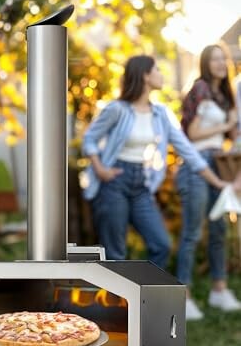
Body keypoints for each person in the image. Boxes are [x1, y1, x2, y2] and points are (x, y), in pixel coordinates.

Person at [81, 55, 229, 274]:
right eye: (157, 70)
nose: (161, 74)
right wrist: (100, 169)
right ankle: (118, 306)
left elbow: (188, 151)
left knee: (161, 245)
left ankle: (140, 298)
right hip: (114, 182)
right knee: (115, 253)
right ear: (145, 75)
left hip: (141, 184)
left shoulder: (160, 114)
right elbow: (89, 139)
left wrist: (216, 181)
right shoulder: (117, 109)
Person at [176, 44, 241, 320]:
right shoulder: (200, 89)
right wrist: (226, 126)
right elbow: (192, 134)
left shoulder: (225, 96)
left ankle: (219, 290)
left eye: (221, 58)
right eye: (212, 59)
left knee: (218, 231)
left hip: (220, 164)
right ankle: (184, 296)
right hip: (196, 166)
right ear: (204, 63)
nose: (218, 63)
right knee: (192, 233)